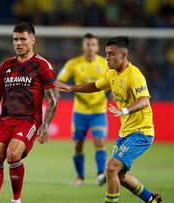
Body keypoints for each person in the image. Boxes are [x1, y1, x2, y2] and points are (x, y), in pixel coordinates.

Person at [55, 36, 162, 203]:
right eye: (106, 53)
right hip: (125, 132)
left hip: (141, 132)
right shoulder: (112, 74)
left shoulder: (135, 75)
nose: (107, 57)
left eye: (111, 54)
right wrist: (71, 87)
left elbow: (144, 100)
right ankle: (151, 199)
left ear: (123, 55)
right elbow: (95, 85)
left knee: (111, 168)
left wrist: (124, 110)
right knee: (120, 175)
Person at [0, 22, 57, 203]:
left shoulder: (42, 65)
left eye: (23, 39)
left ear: (33, 40)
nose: (18, 43)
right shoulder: (5, 67)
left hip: (28, 120)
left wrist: (45, 126)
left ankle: (16, 200)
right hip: (5, 120)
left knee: (13, 154)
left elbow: (52, 100)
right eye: (15, 39)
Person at [56, 33, 109, 186]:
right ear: (83, 46)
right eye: (88, 44)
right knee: (78, 145)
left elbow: (115, 79)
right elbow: (60, 80)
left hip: (98, 111)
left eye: (93, 44)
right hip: (79, 111)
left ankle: (100, 174)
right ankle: (80, 177)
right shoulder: (74, 63)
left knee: (99, 141)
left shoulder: (105, 63)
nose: (90, 47)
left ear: (98, 47)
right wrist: (56, 91)